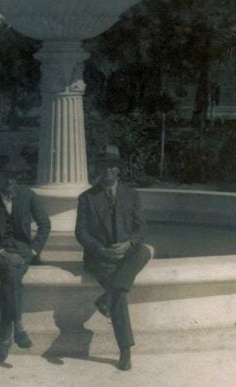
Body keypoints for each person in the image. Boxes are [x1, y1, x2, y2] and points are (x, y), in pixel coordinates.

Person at [75, 145, 153, 371]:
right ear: (97, 169)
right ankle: (125, 350)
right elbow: (81, 233)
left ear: (118, 169)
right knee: (120, 294)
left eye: (112, 166)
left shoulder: (132, 195)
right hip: (100, 256)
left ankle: (105, 298)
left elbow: (141, 228)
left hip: (126, 253)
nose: (108, 170)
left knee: (145, 250)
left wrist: (128, 244)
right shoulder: (87, 198)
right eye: (103, 166)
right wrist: (101, 249)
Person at [0, 156, 51, 363]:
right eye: (5, 176)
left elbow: (45, 224)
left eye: (13, 177)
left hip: (23, 251)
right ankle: (17, 327)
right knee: (11, 274)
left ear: (18, 178)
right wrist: (2, 253)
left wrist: (34, 251)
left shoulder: (28, 195)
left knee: (11, 275)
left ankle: (5, 340)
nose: (10, 181)